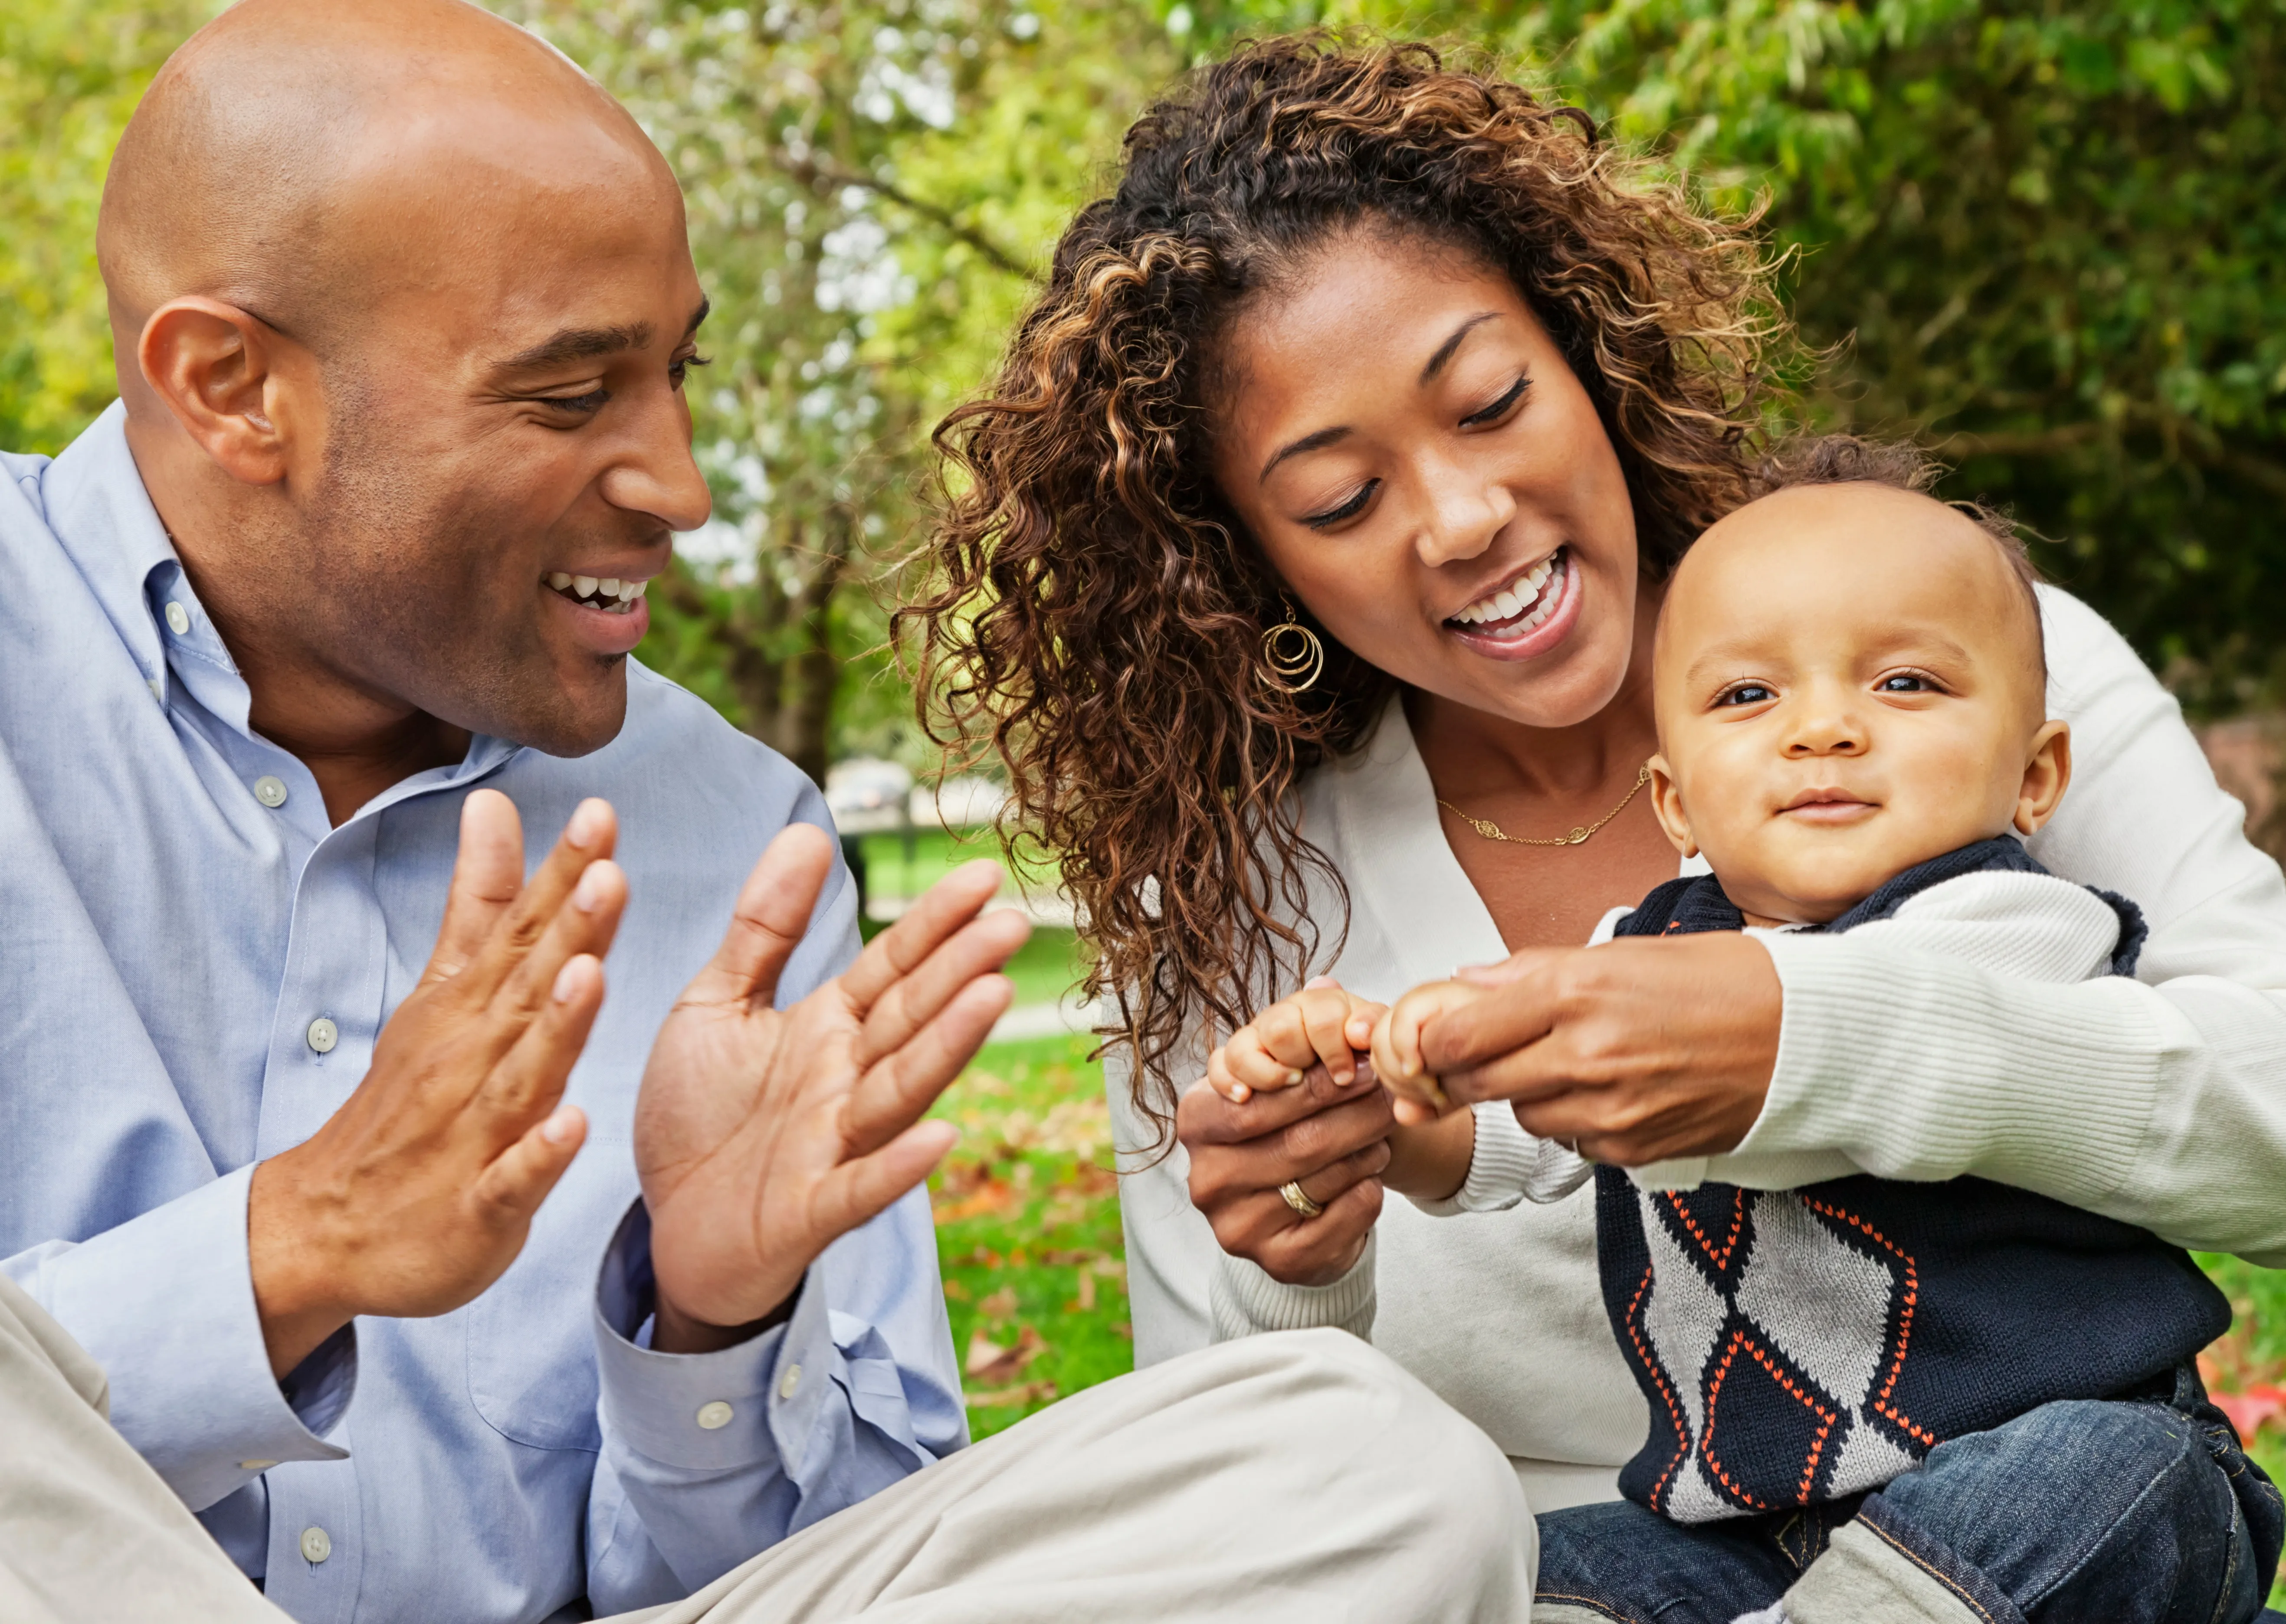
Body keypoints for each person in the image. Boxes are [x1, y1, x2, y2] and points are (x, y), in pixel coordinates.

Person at [0, 3, 1533, 1620]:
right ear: (233, 387)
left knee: (1369, 1469)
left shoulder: (735, 834)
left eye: (677, 373)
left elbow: (844, 1582)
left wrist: (708, 1324)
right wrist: (285, 1251)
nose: (680, 481)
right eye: (570, 391)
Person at [900, 33, 2286, 1618]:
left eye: (1490, 403)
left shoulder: (1957, 676)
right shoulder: (1243, 902)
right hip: (1592, 1581)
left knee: (2112, 1487)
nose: (1463, 517)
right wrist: (1304, 1261)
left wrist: (1804, 1043)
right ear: (1244, 564)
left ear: (1587, 360)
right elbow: (1256, 1508)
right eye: (1340, 501)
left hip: (2017, 1539)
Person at [1296, 442, 2281, 1621]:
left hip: (2053, 1477)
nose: (1824, 729)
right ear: (1677, 800)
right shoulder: (1644, 948)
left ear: (2035, 776)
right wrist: (1410, 1125)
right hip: (1767, 1535)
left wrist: (1675, 1036)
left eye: (1905, 685)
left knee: (2112, 1476)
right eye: (1750, 696)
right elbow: (1538, 1126)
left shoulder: (2009, 923)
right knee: (1546, 1572)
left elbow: (1847, 1038)